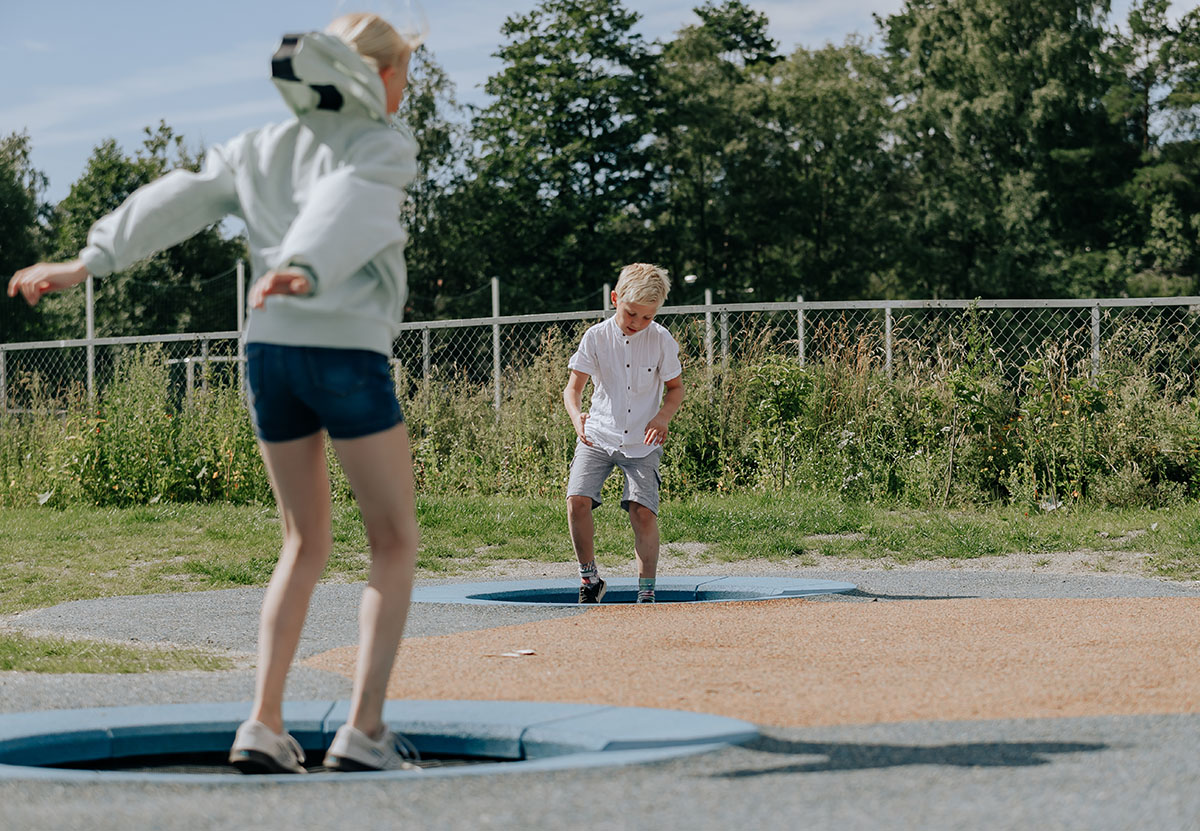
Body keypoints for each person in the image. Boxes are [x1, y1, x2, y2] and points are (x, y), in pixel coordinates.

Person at [9, 12, 424, 774]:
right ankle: (364, 730)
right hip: (341, 350)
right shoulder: (382, 142)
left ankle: (263, 722)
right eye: (407, 76)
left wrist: (88, 259)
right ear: (386, 76)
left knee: (302, 541)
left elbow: (179, 195)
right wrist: (303, 263)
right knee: (393, 540)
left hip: (267, 351)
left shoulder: (259, 146)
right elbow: (354, 202)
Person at [562, 263, 684, 604]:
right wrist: (577, 419)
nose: (638, 323)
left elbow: (675, 389)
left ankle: (646, 590)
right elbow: (572, 390)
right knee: (577, 502)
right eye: (632, 314)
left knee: (642, 511)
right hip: (598, 434)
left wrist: (662, 418)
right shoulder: (596, 338)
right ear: (615, 299)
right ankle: (590, 580)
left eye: (647, 317)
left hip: (642, 442)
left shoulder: (661, 340)